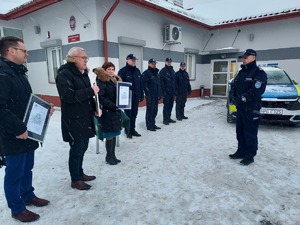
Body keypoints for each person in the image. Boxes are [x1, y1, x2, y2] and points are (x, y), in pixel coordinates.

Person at [0, 36, 54, 222]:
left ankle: (28, 195)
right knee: (14, 173)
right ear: (11, 51)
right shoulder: (3, 74)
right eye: (24, 50)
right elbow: (1, 108)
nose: (27, 54)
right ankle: (17, 208)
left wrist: (44, 108)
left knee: (27, 168)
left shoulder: (18, 73)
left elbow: (25, 100)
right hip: (13, 134)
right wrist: (18, 128)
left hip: (27, 132)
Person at [56, 47, 99, 190]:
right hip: (73, 119)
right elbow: (68, 96)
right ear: (73, 58)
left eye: (87, 58)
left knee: (83, 147)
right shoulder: (64, 74)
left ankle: (80, 173)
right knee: (76, 149)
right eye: (83, 58)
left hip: (85, 117)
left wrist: (95, 108)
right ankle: (75, 179)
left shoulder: (83, 74)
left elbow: (88, 96)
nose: (86, 60)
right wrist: (90, 91)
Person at [229, 49, 267, 165]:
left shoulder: (258, 73)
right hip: (241, 108)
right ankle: (241, 151)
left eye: (246, 57)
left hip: (251, 108)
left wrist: (242, 98)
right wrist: (233, 97)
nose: (244, 59)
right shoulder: (241, 72)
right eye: (243, 57)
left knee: (250, 132)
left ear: (253, 58)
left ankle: (250, 155)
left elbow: (256, 90)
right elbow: (234, 85)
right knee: (240, 131)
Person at [93, 62, 122, 165]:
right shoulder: (101, 81)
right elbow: (101, 98)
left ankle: (113, 155)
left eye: (112, 69)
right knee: (109, 135)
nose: (111, 71)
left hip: (114, 111)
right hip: (107, 111)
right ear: (104, 70)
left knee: (114, 134)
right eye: (108, 69)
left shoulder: (114, 81)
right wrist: (113, 105)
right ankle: (108, 157)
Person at [118, 54, 144, 138]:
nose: (134, 61)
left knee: (134, 114)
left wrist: (141, 94)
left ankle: (133, 129)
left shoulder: (137, 71)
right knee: (128, 115)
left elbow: (140, 84)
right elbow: (120, 85)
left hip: (136, 97)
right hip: (127, 98)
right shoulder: (122, 71)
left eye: (135, 60)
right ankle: (128, 131)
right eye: (132, 60)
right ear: (127, 60)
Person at [142, 58, 162, 131]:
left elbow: (158, 84)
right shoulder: (146, 73)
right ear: (149, 64)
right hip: (150, 96)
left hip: (156, 95)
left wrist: (160, 94)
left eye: (155, 64)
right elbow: (145, 85)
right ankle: (149, 125)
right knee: (150, 111)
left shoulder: (156, 73)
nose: (154, 65)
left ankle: (153, 124)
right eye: (152, 64)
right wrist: (148, 95)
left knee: (155, 110)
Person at [159, 57, 176, 125]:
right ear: (165, 62)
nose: (169, 63)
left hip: (172, 92)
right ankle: (165, 119)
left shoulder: (172, 71)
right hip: (166, 92)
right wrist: (162, 92)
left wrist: (175, 90)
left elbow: (174, 81)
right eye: (168, 61)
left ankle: (168, 118)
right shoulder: (162, 71)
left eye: (170, 62)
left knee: (171, 105)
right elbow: (161, 83)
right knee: (166, 106)